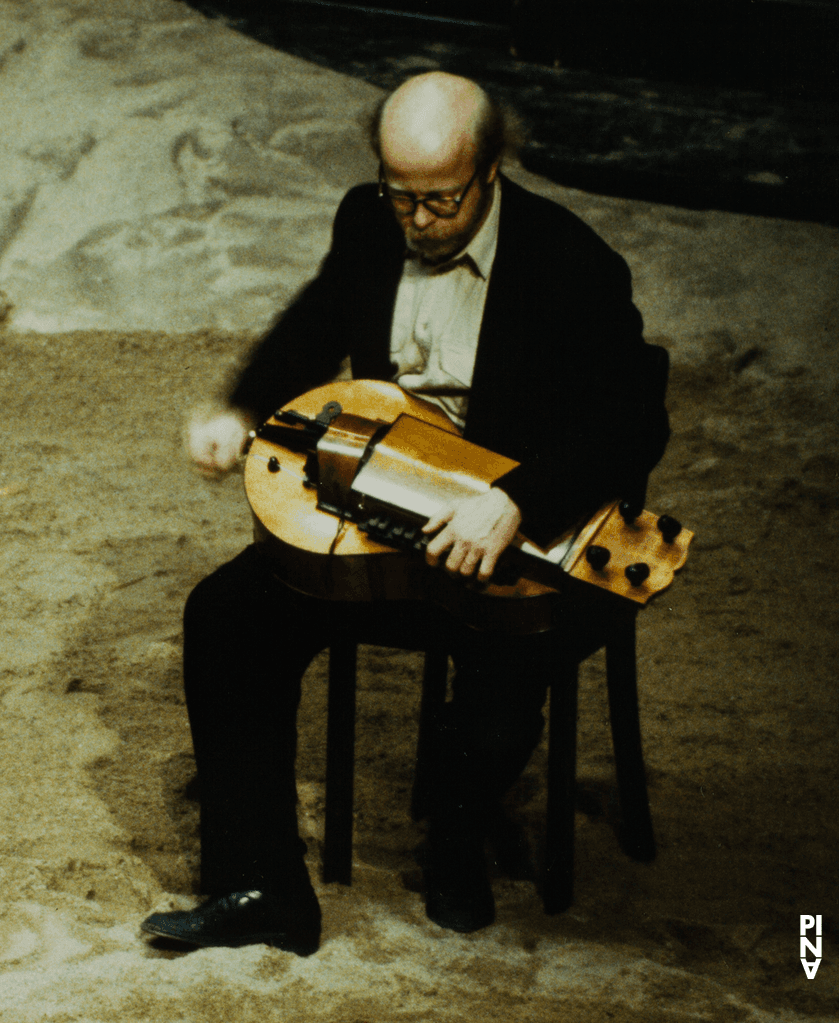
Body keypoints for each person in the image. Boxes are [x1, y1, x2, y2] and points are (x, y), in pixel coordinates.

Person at [140, 72, 670, 953]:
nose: (416, 221)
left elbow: (631, 422)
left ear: (491, 169)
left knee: (504, 674)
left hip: (507, 523)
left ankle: (458, 832)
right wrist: (240, 407)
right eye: (401, 196)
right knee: (225, 616)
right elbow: (315, 324)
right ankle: (260, 885)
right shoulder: (366, 219)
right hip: (380, 516)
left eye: (440, 200)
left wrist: (513, 501)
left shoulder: (568, 261)